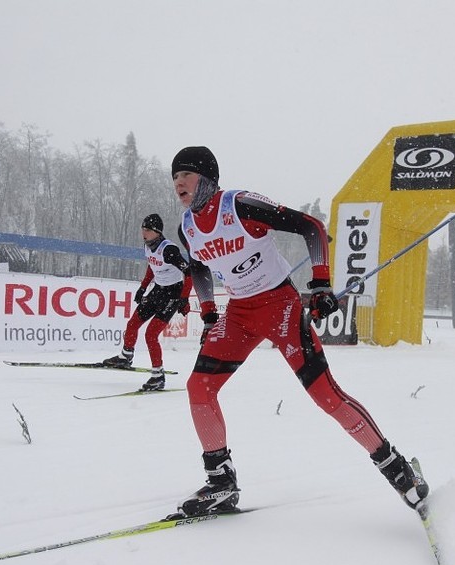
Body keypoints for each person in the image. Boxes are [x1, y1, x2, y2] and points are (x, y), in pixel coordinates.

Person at [169, 145, 428, 517]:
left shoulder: (238, 205)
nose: (179, 183)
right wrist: (210, 313)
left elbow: (311, 227)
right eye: (175, 177)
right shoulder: (187, 227)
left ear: (208, 179)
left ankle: (400, 472)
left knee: (326, 396)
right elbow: (198, 267)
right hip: (240, 314)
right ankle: (221, 482)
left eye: (186, 175)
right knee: (199, 386)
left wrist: (321, 285)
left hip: (280, 307)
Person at [102, 213, 192, 391]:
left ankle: (158, 376)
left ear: (157, 232)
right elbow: (152, 266)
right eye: (143, 229)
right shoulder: (148, 246)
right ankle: (125, 356)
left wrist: (184, 298)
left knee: (151, 335)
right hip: (158, 290)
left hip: (173, 294)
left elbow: (189, 272)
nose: (144, 233)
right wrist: (143, 288)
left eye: (148, 230)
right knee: (133, 324)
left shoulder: (169, 250)